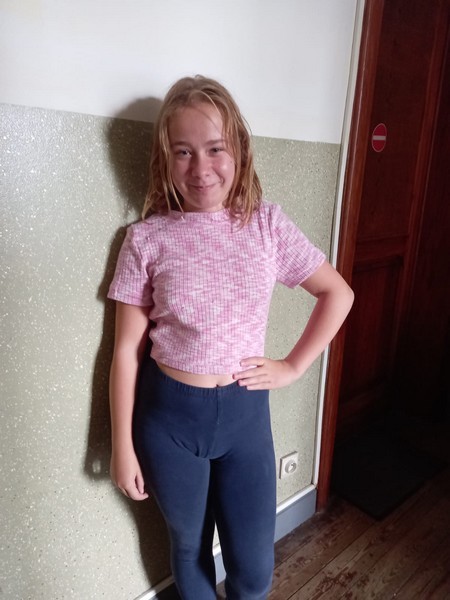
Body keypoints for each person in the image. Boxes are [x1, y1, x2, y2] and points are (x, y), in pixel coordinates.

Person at [107, 75, 354, 600]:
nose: (201, 168)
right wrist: (121, 446)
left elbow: (337, 293)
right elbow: (126, 352)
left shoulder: (266, 225)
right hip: (169, 423)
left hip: (246, 419)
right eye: (183, 152)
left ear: (238, 148)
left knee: (253, 564)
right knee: (188, 548)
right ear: (165, 159)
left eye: (215, 148)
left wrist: (292, 366)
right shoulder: (145, 239)